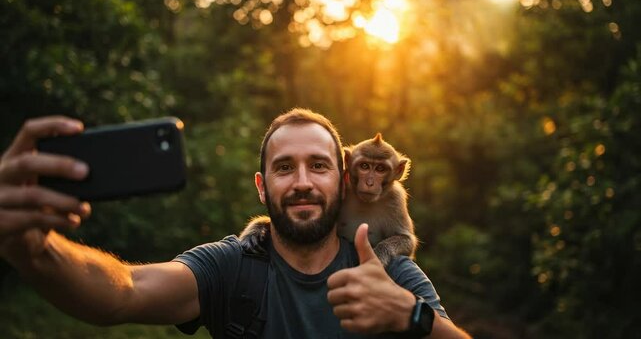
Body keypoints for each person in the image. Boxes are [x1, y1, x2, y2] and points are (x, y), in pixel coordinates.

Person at [0, 110, 471, 338]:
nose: (303, 182)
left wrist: (411, 316)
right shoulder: (233, 265)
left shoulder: (391, 278)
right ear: (263, 188)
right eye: (285, 168)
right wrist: (32, 247)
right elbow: (124, 291)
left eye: (319, 166)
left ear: (342, 182)